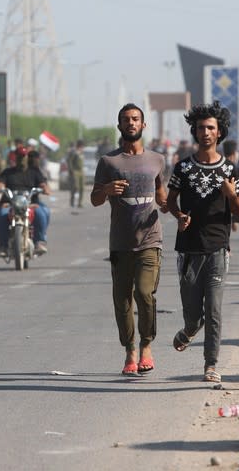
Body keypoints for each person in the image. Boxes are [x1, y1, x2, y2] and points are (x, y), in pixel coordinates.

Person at [167, 101, 239, 383]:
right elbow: (170, 200)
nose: (206, 132)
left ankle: (210, 364)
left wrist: (230, 193)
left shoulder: (231, 170)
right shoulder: (183, 167)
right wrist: (178, 215)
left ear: (219, 132)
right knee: (192, 313)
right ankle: (188, 330)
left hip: (217, 249)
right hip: (188, 249)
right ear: (195, 132)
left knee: (213, 310)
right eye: (201, 128)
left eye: (211, 127)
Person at [92, 103, 167, 376]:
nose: (131, 123)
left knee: (145, 294)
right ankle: (130, 351)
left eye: (136, 119)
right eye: (126, 119)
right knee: (122, 300)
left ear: (143, 125)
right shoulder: (108, 162)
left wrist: (176, 207)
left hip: (150, 239)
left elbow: (162, 194)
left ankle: (147, 345)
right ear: (119, 126)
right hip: (121, 242)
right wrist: (109, 190)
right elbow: (95, 199)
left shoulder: (157, 159)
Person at [0, 147, 51, 257]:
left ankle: (39, 242)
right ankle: (3, 246)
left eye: (23, 157)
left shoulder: (34, 172)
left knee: (41, 214)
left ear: (27, 158)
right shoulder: (8, 172)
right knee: (2, 215)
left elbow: (43, 184)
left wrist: (44, 189)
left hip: (30, 204)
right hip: (10, 204)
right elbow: (1, 183)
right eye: (19, 157)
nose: (21, 159)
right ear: (15, 158)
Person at [68, 140, 86, 208]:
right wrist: (71, 170)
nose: (82, 147)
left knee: (82, 188)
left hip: (81, 171)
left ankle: (80, 203)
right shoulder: (74, 153)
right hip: (75, 171)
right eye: (82, 146)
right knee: (76, 187)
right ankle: (72, 201)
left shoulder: (82, 153)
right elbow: (70, 162)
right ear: (79, 146)